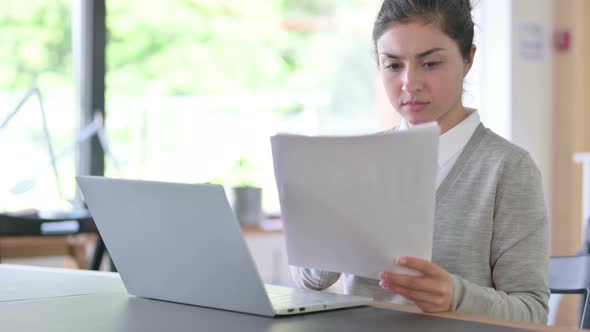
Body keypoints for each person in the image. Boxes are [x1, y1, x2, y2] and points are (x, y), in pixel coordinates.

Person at [291, 0, 549, 324]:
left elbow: (533, 313)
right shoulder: (359, 158)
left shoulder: (508, 169)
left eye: (430, 64)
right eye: (394, 65)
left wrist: (456, 296)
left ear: (468, 58)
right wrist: (330, 222)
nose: (409, 84)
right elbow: (310, 282)